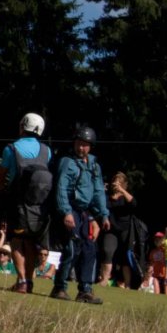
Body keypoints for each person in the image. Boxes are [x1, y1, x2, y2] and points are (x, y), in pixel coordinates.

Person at [50, 125, 109, 304]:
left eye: (85, 144)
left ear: (90, 146)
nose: (81, 147)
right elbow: (61, 188)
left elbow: (98, 191)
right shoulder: (67, 162)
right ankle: (60, 287)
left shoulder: (94, 166)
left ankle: (85, 290)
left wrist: (103, 214)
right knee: (72, 248)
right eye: (78, 143)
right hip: (70, 209)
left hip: (85, 212)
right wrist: (66, 212)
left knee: (89, 249)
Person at [0, 112, 53, 294]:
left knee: (16, 241)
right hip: (40, 206)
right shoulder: (47, 151)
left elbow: (1, 175)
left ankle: (21, 280)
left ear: (23, 126)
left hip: (18, 204)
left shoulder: (11, 149)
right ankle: (28, 281)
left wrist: (0, 190)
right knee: (30, 242)